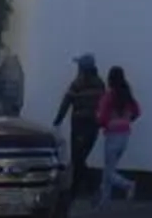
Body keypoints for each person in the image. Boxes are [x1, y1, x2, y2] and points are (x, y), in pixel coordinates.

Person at [56, 53, 105, 197]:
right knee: (80, 157)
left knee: (78, 158)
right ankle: (75, 192)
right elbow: (103, 104)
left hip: (79, 125)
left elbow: (67, 101)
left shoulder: (78, 83)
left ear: (82, 68)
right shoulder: (100, 83)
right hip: (93, 126)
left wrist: (58, 119)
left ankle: (90, 188)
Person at [96, 64, 140, 203]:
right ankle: (105, 199)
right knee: (110, 167)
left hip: (112, 135)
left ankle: (128, 185)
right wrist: (127, 120)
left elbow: (102, 116)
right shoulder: (127, 95)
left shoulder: (109, 97)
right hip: (125, 135)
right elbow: (137, 112)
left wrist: (101, 123)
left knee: (109, 172)